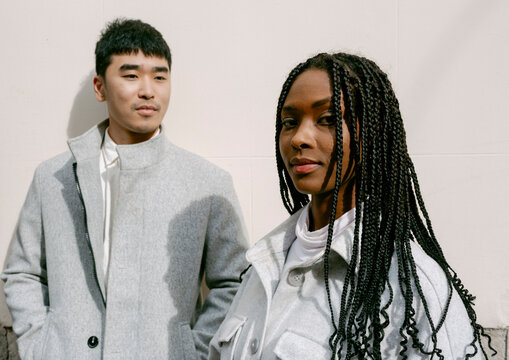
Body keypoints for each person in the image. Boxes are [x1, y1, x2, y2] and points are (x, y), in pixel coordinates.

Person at [209, 53, 494, 359]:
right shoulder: (262, 266)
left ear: (371, 132)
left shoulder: (412, 284)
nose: (299, 138)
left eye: (328, 119)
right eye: (290, 122)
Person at [2, 18, 248, 359]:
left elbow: (234, 282)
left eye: (160, 76)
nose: (148, 90)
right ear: (100, 87)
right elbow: (23, 272)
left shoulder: (207, 183)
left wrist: (194, 351)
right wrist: (40, 347)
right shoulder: (53, 178)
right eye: (131, 75)